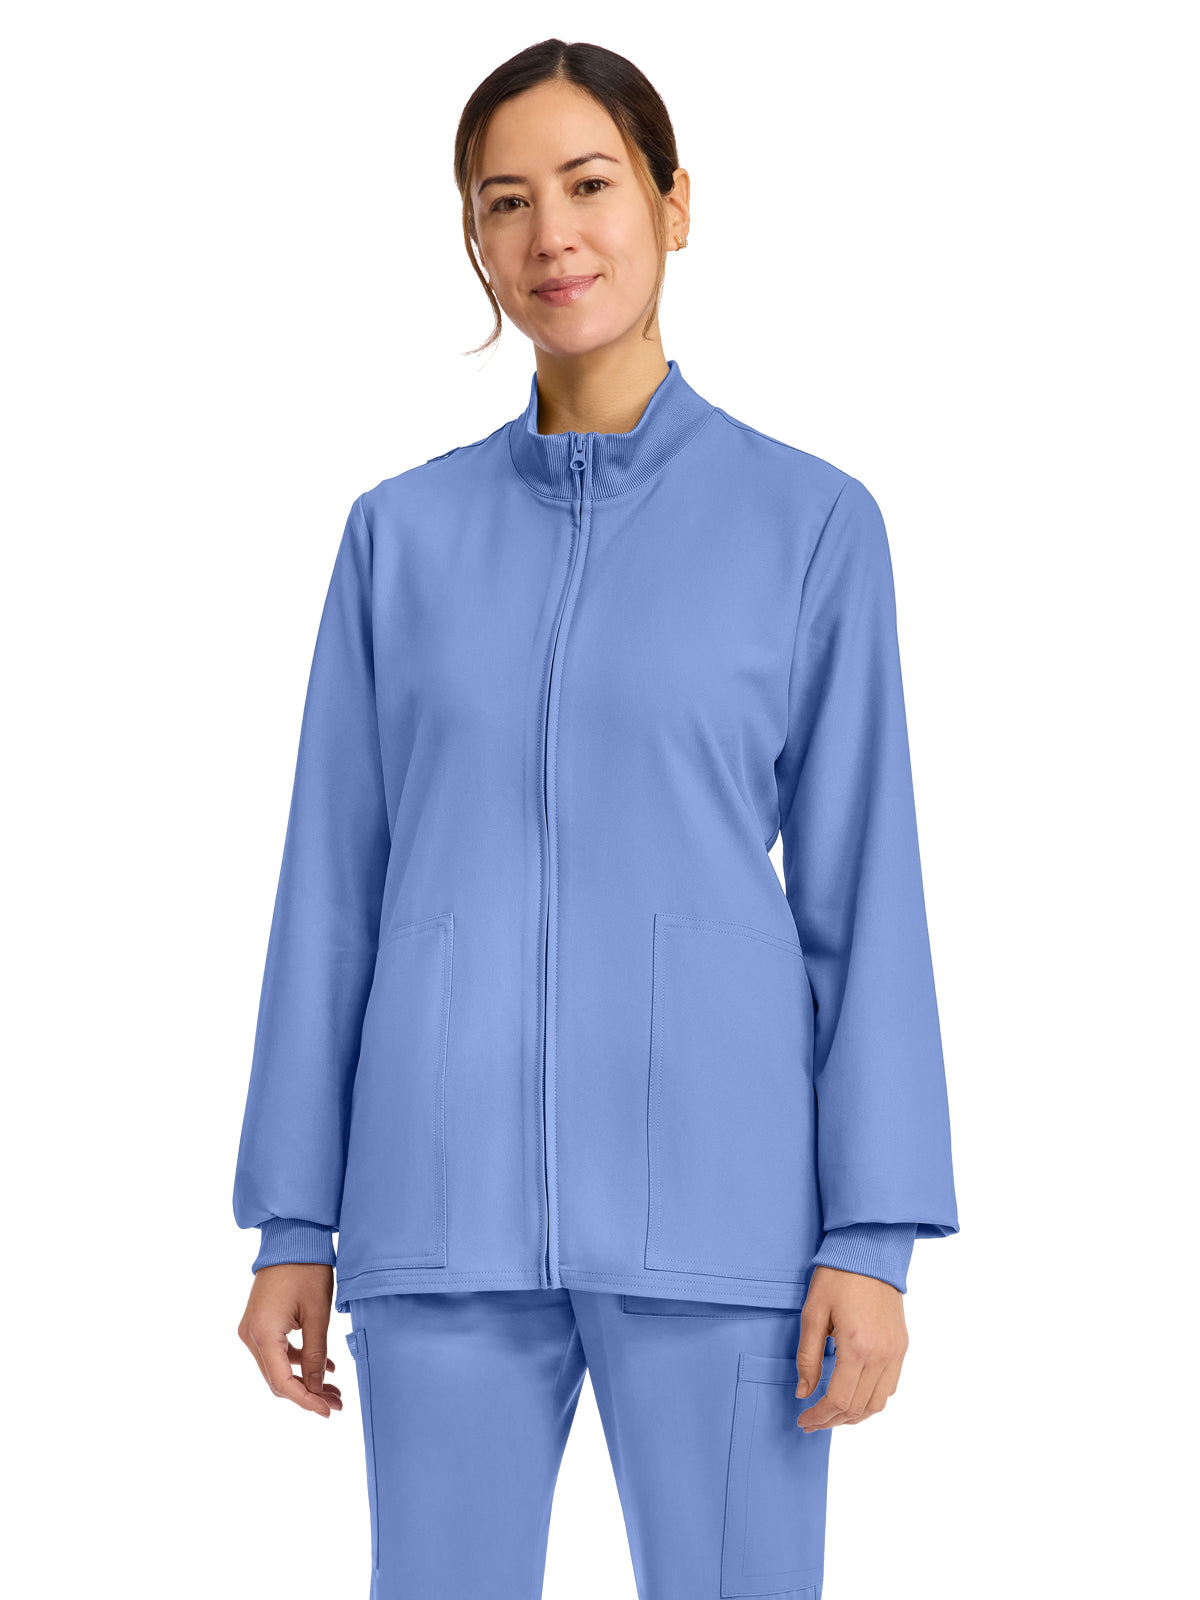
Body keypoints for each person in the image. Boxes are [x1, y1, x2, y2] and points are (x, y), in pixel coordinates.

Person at [233, 37, 959, 1600]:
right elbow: (331, 891)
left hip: (728, 1224)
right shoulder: (398, 540)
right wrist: (294, 1220)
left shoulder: (812, 526)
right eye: (506, 201)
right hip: (440, 1215)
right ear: (475, 238)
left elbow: (864, 896)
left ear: (673, 203)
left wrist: (872, 1237)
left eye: (589, 184)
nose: (551, 234)